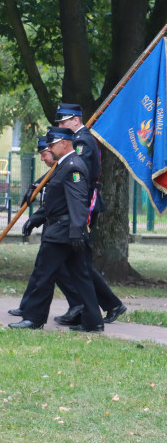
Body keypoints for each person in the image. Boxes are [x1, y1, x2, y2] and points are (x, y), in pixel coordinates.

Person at [10, 127, 103, 332]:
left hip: (62, 232)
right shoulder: (64, 165)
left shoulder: (73, 166)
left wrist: (77, 231)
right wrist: (35, 219)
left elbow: (78, 202)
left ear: (64, 143)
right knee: (82, 277)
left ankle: (34, 318)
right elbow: (56, 201)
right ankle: (93, 322)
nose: (49, 149)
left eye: (52, 145)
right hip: (65, 230)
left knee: (44, 274)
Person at [53, 103, 127, 324]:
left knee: (79, 261)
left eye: (64, 122)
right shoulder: (77, 139)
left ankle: (100, 305)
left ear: (76, 120)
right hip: (76, 205)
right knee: (74, 261)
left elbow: (78, 172)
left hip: (82, 206)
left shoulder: (83, 140)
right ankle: (89, 305)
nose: (61, 126)